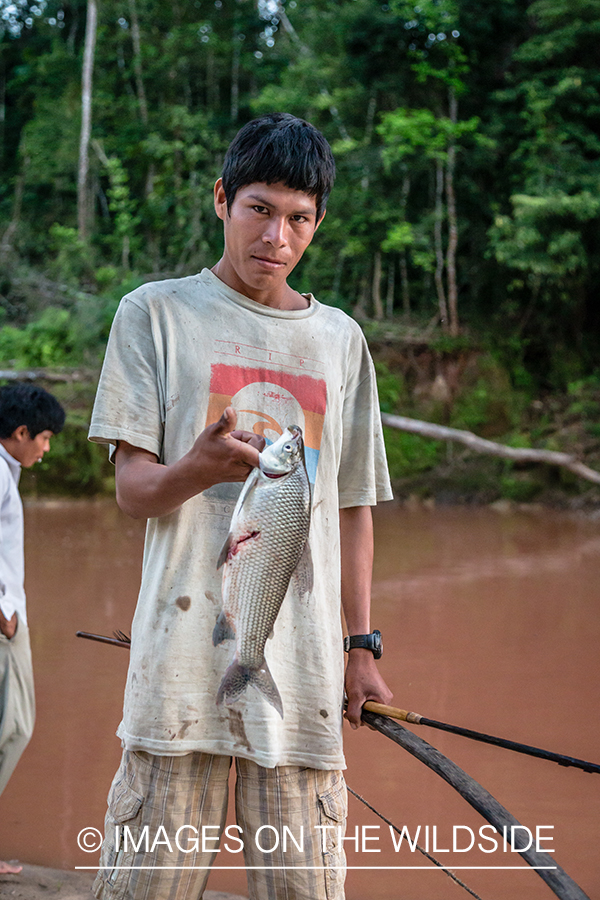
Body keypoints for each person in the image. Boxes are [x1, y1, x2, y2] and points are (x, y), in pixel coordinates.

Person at [89, 112, 393, 900]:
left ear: (319, 223)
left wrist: (363, 647)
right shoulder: (153, 314)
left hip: (307, 687)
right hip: (176, 676)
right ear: (221, 198)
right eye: (259, 208)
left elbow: (353, 509)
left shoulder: (340, 340)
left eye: (299, 218)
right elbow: (134, 492)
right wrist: (196, 466)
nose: (277, 236)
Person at [0, 382, 65, 875]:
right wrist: (5, 614)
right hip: (3, 623)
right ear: (21, 432)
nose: (45, 448)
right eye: (43, 437)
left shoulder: (6, 472)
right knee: (14, 725)